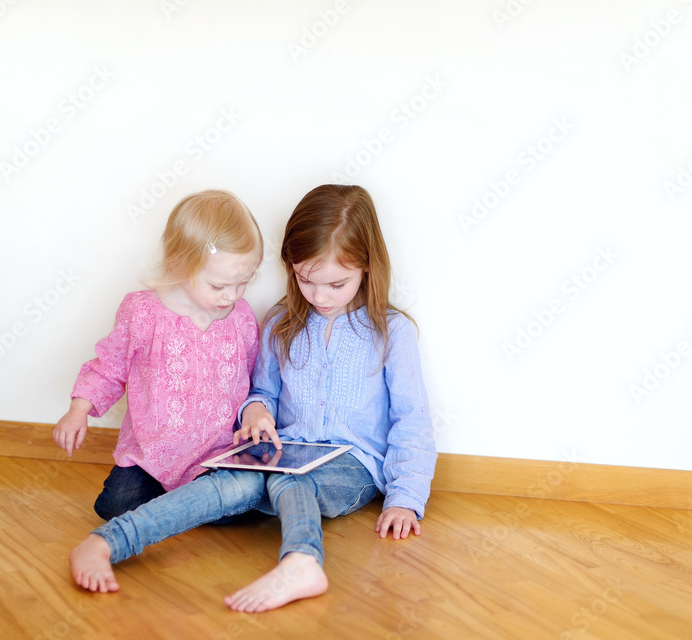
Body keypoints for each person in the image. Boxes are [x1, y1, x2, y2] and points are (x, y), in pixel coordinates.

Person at [69, 184, 437, 612]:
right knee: (230, 481)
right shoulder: (281, 322)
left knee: (288, 479)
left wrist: (406, 498)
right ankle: (106, 542)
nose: (319, 297)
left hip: (351, 462)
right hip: (283, 450)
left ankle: (301, 561)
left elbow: (411, 420)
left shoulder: (393, 332)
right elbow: (259, 392)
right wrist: (258, 412)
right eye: (305, 280)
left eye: (336, 284)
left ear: (368, 267)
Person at [53, 190, 263, 520]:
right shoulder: (142, 312)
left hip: (217, 452)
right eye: (219, 286)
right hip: (151, 454)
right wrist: (79, 409)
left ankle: (189, 506)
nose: (232, 295)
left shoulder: (242, 317)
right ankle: (193, 507)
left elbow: (254, 378)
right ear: (180, 264)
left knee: (250, 496)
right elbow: (110, 366)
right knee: (116, 505)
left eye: (242, 283)